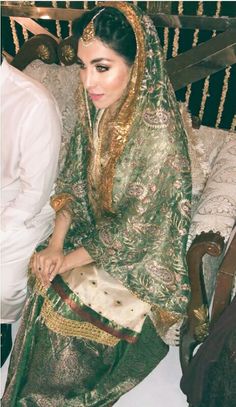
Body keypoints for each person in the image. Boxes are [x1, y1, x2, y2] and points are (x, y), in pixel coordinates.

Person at [2, 2, 192, 406]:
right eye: (84, 67)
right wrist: (56, 245)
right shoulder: (97, 109)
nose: (89, 81)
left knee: (66, 307)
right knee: (43, 267)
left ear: (136, 65)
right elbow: (71, 179)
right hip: (98, 232)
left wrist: (68, 259)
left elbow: (134, 234)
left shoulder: (159, 136)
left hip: (140, 261)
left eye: (102, 67)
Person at [0, 57, 62, 366]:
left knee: (4, 281)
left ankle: (1, 325)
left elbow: (35, 192)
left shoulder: (33, 102)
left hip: (28, 206)